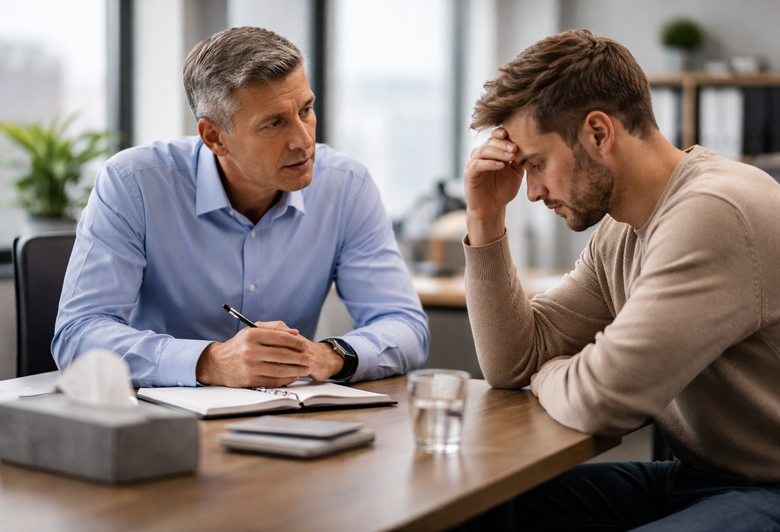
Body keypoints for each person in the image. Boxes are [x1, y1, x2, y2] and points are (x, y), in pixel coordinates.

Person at [456, 29, 780, 531]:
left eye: (536, 164)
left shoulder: (715, 210)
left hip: (769, 488)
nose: (533, 191)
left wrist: (550, 375)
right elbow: (513, 360)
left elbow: (602, 400)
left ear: (599, 134)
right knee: (478, 509)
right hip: (697, 478)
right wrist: (484, 215)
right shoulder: (619, 233)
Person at [53, 27, 429, 388]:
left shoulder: (347, 186)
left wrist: (331, 355)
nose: (303, 140)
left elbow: (405, 325)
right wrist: (210, 361)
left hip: (287, 423)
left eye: (306, 110)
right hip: (159, 427)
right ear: (215, 137)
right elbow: (78, 334)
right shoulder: (133, 183)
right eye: (275, 123)